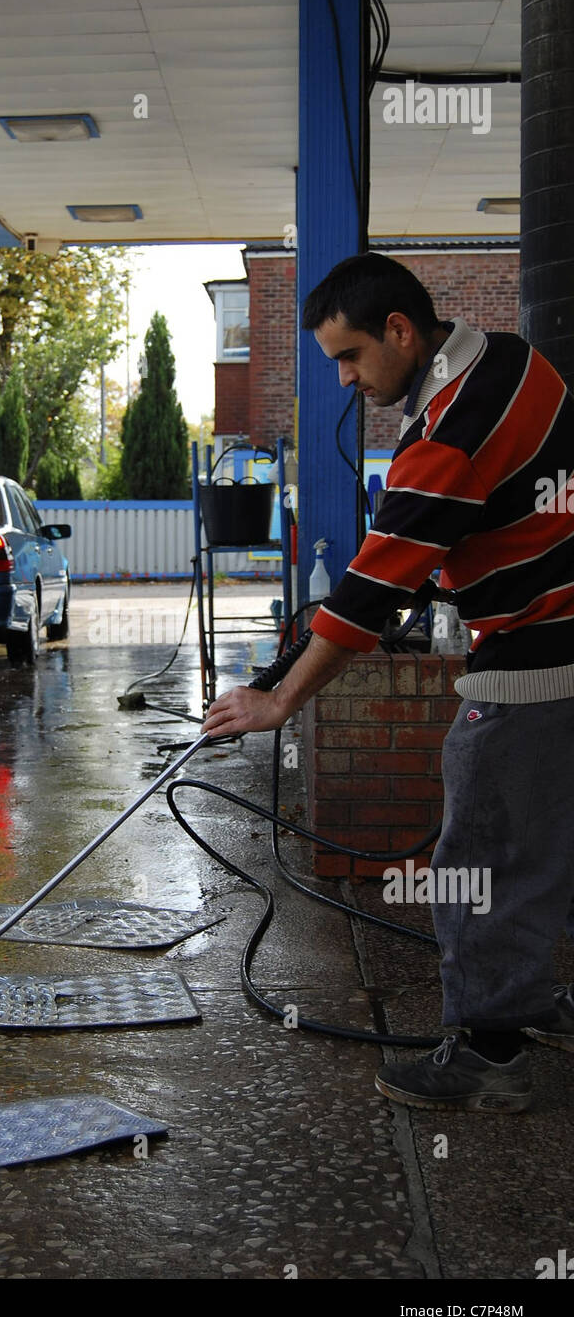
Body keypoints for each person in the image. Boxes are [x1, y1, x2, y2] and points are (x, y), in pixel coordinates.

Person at [202, 251, 574, 1112]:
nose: (344, 379)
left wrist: (281, 699)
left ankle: (491, 1055)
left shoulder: (445, 436)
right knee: (551, 844)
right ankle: (540, 1003)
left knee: (477, 854)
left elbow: (369, 594)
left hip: (530, 659)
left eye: (350, 356)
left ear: (401, 332)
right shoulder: (518, 359)